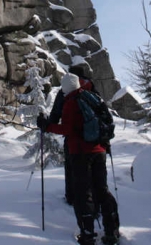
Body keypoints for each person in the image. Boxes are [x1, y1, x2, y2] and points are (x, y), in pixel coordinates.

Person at [38, 73, 120, 245]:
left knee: (83, 194)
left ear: (67, 87)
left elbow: (67, 129)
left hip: (80, 153)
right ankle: (111, 231)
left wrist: (47, 127)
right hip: (99, 151)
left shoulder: (71, 102)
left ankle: (88, 234)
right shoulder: (91, 97)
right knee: (102, 190)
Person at [48, 65, 98, 206]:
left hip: (74, 140)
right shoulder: (91, 88)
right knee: (94, 171)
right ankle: (96, 199)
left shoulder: (68, 88)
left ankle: (72, 198)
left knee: (72, 169)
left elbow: (56, 112)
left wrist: (49, 125)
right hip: (95, 140)